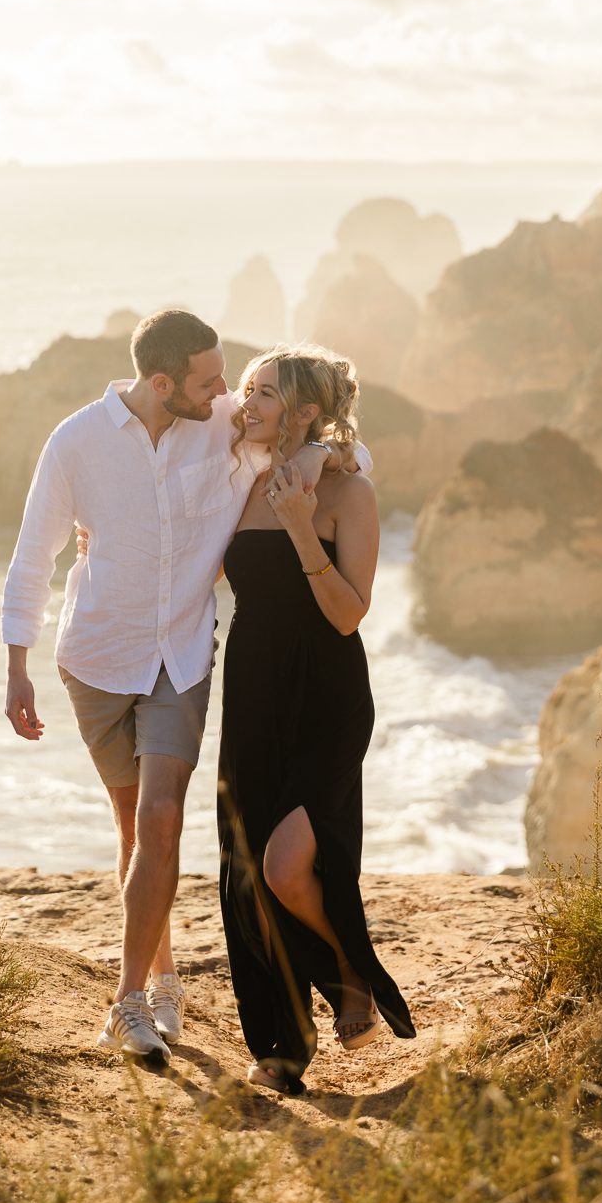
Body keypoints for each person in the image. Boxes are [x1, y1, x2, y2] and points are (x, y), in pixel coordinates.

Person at [1, 310, 360, 1066]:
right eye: (211, 380)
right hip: (95, 658)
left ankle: (127, 1001)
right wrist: (16, 665)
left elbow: (320, 425)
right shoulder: (77, 442)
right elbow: (35, 552)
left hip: (183, 660)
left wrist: (331, 460)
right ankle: (163, 981)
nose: (228, 392)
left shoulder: (225, 421)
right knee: (135, 825)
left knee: (162, 817)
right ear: (164, 384)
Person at [217, 345, 415, 1095]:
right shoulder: (240, 478)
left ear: (304, 410)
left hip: (326, 698)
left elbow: (346, 616)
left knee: (288, 863)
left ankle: (348, 975)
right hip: (253, 695)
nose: (249, 402)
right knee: (246, 875)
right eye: (247, 388)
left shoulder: (347, 494)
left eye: (265, 392)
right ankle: (281, 1049)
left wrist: (303, 529)